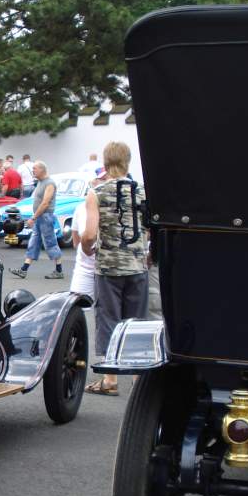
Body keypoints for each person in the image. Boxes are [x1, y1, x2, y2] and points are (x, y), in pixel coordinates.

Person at [82, 141, 149, 396]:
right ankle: (137, 381)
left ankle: (110, 379)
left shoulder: (97, 192)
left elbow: (89, 234)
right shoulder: (142, 192)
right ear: (128, 160)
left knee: (109, 320)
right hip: (136, 265)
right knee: (136, 322)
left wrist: (89, 249)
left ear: (105, 162)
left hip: (109, 267)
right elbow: (151, 228)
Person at [9, 160, 64, 279]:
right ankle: (24, 269)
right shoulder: (40, 182)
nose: (33, 171)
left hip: (45, 216)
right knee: (33, 243)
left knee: (50, 243)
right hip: (40, 217)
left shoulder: (49, 183)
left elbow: (45, 203)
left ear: (42, 170)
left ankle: (59, 270)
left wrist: (33, 218)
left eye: (34, 169)